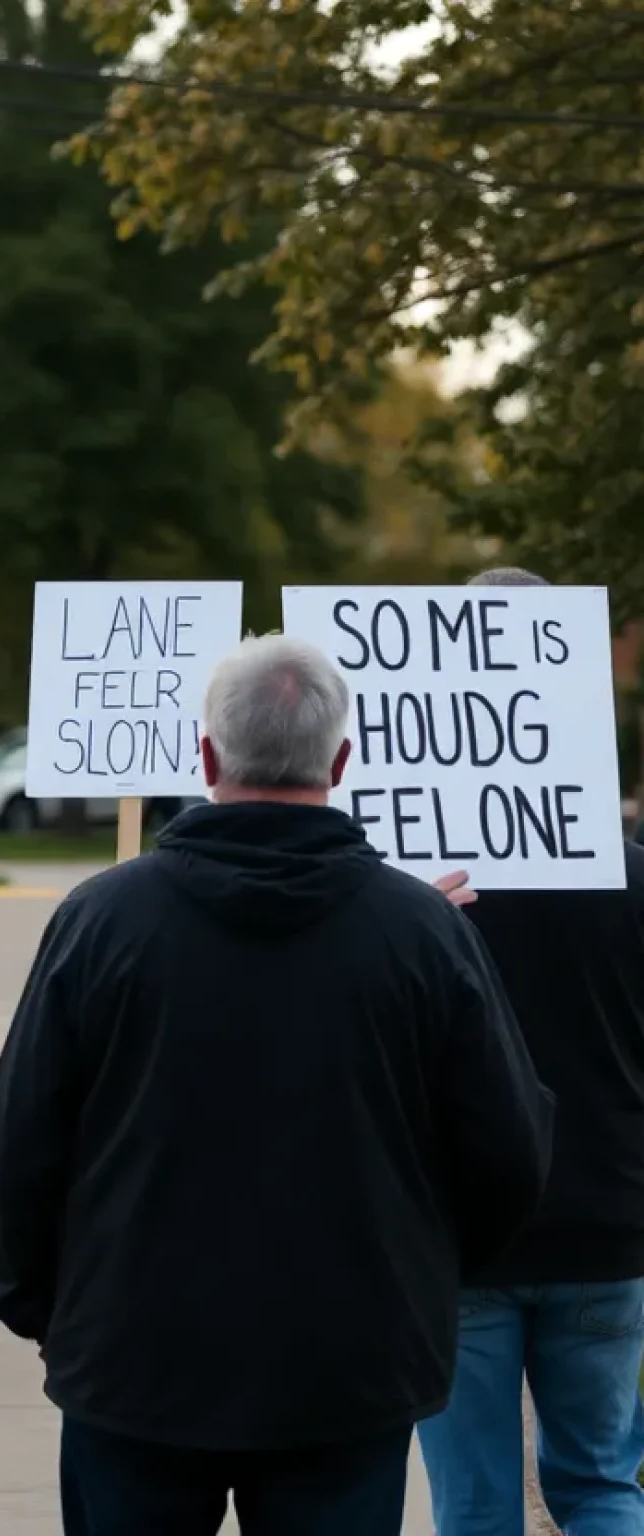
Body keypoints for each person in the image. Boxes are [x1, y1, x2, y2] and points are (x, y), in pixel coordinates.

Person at [0, 633, 554, 1536]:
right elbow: (510, 1148)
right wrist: (418, 1274)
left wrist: (37, 1297)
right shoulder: (423, 934)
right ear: (342, 759)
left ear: (205, 756)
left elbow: (19, 1143)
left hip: (135, 1354)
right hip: (348, 1361)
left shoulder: (100, 922)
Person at [416, 567, 644, 1536]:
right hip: (610, 1221)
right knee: (602, 1487)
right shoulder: (633, 873)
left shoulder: (415, 892)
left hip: (464, 1229)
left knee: (477, 1504)